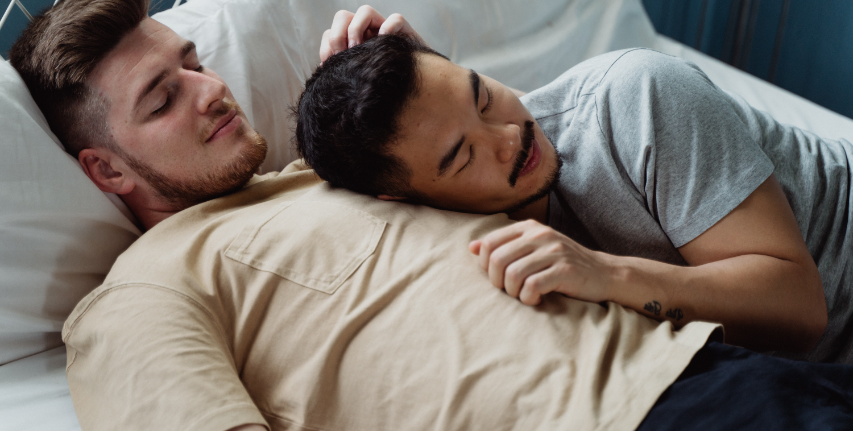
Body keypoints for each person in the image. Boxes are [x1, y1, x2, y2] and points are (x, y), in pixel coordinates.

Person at [11, 0, 853, 431]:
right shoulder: (144, 290)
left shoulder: (322, 168)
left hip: (703, 362)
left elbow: (503, 148)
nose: (209, 91)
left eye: (194, 61)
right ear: (108, 171)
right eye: (162, 100)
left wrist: (420, 81)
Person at [295, 33, 853, 364]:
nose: (511, 137)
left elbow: (802, 309)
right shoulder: (421, 232)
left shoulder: (638, 96)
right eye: (464, 156)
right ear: (402, 199)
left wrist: (608, 274)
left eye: (484, 96)